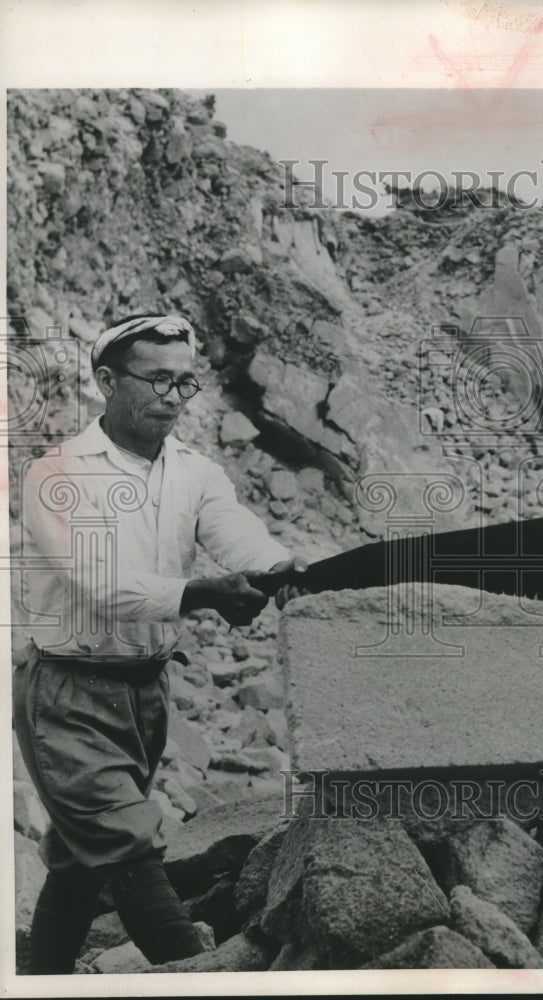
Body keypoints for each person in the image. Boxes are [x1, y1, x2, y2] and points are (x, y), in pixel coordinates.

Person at [12, 314, 306, 973]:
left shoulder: (193, 472)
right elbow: (97, 585)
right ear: (108, 382)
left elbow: (232, 531)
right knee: (129, 847)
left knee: (81, 862)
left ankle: (41, 980)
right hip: (65, 696)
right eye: (158, 380)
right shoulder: (55, 475)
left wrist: (280, 567)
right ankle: (197, 978)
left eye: (185, 382)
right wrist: (203, 593)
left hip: (145, 694)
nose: (174, 396)